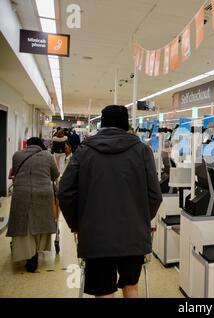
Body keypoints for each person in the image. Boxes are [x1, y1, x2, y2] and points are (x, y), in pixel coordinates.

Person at [58, 105, 162, 298]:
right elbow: (155, 195)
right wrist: (141, 218)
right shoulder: (143, 151)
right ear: (126, 124)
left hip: (96, 236)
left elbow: (65, 193)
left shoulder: (83, 151)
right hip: (133, 235)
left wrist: (77, 224)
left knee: (103, 291)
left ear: (102, 124)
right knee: (131, 286)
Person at [7, 138, 59, 272]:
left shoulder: (17, 155)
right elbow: (55, 175)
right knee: (39, 222)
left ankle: (28, 254)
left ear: (27, 145)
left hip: (21, 193)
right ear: (41, 146)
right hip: (43, 193)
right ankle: (36, 250)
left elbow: (15, 172)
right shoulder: (47, 156)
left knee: (24, 224)